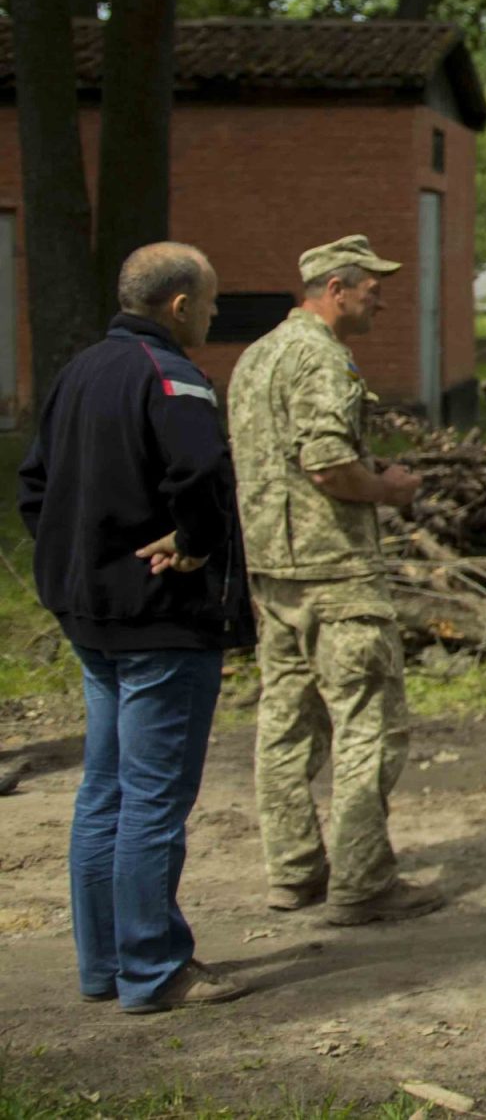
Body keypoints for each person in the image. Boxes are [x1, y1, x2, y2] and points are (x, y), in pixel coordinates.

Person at [19, 243, 256, 1013]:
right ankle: (154, 969)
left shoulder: (76, 372)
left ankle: (104, 964)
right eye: (212, 301)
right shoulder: (174, 376)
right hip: (159, 618)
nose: (216, 314)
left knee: (105, 790)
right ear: (179, 304)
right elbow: (201, 476)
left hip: (90, 613)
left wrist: (75, 560)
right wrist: (192, 543)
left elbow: (34, 488)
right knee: (152, 797)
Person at [229, 235, 444, 928]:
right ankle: (363, 879)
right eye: (371, 283)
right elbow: (327, 465)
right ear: (335, 287)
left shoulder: (255, 356)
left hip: (274, 569)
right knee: (368, 720)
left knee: (286, 725)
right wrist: (389, 488)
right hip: (336, 572)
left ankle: (294, 872)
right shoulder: (321, 359)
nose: (381, 293)